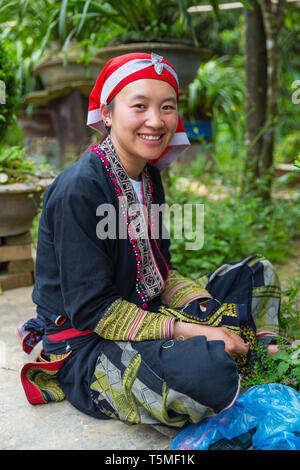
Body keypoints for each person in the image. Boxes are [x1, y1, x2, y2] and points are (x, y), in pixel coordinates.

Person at [18, 53, 281, 428]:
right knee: (206, 374)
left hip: (146, 311)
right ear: (107, 114)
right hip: (88, 345)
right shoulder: (79, 190)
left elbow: (159, 272)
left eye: (167, 107)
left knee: (256, 272)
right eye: (139, 106)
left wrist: (203, 306)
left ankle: (251, 349)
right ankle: (241, 355)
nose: (156, 121)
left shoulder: (147, 176)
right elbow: (97, 312)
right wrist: (196, 330)